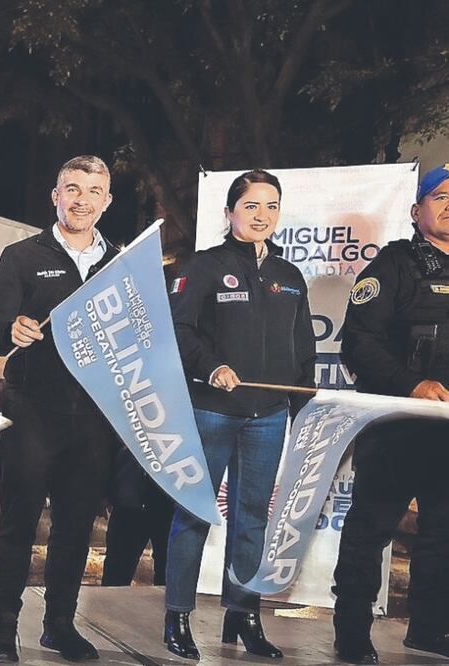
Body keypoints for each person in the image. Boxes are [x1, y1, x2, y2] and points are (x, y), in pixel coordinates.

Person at [163, 169, 315, 661]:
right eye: (251, 206)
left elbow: (304, 352)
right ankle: (178, 616)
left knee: (253, 518)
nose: (262, 215)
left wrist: (303, 411)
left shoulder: (290, 276)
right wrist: (212, 367)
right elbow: (179, 330)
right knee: (194, 513)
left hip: (268, 416)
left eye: (271, 206)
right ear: (230, 213)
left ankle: (243, 614)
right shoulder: (203, 266)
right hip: (213, 411)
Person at [0, 155, 120, 663]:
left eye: (93, 190)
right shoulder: (20, 256)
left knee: (76, 525)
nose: (82, 199)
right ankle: (1, 630)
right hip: (33, 409)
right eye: (72, 188)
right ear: (55, 196)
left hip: (95, 417)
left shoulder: (120, 263)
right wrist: (9, 329)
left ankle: (59, 625)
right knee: (18, 523)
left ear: (106, 202)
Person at [331, 164, 449, 664]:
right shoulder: (394, 266)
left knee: (443, 536)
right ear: (416, 210)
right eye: (441, 196)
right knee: (370, 529)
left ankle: (429, 630)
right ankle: (351, 632)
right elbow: (357, 343)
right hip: (397, 425)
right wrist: (413, 385)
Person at [100, 450, 174, 587]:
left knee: (170, 581)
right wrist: (104, 490)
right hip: (130, 496)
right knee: (116, 578)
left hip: (171, 497)